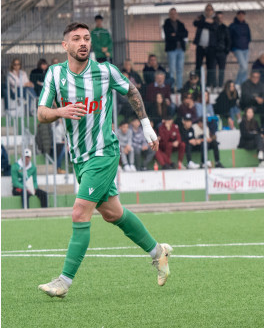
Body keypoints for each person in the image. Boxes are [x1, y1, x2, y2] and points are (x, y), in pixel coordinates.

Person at [36, 21, 171, 298]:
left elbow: (132, 90)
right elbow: (41, 113)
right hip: (80, 158)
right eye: (76, 39)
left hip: (104, 152)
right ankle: (159, 252)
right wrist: (61, 111)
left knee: (79, 212)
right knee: (112, 213)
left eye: (87, 38)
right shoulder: (54, 74)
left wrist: (146, 125)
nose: (83, 42)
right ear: (66, 46)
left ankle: (64, 281)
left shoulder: (105, 71)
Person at [163, 7, 189, 91]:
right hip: (172, 50)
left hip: (180, 49)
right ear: (169, 15)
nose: (173, 15)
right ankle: (171, 87)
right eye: (172, 14)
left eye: (175, 13)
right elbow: (169, 36)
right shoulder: (166, 24)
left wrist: (176, 35)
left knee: (180, 69)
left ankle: (179, 87)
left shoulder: (181, 24)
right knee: (172, 69)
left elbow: (185, 34)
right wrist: (179, 36)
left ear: (177, 14)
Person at [193, 4, 217, 84]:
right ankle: (197, 82)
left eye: (210, 10)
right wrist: (206, 22)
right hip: (200, 46)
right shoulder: (201, 18)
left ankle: (209, 84)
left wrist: (204, 23)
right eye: (207, 9)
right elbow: (196, 23)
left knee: (210, 66)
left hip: (211, 47)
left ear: (213, 11)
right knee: (198, 65)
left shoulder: (216, 19)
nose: (208, 11)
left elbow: (214, 27)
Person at [208, 11, 232, 89]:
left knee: (222, 70)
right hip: (213, 52)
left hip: (222, 52)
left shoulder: (225, 28)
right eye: (218, 18)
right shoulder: (211, 27)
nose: (219, 19)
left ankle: (220, 85)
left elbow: (228, 40)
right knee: (213, 70)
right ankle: (214, 86)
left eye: (221, 18)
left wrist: (226, 50)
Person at [229, 10, 251, 85]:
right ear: (237, 16)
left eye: (243, 15)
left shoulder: (246, 25)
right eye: (240, 15)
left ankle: (243, 83)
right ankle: (238, 82)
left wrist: (247, 44)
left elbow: (248, 36)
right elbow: (229, 38)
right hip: (237, 48)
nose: (241, 17)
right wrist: (231, 48)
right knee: (244, 66)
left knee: (245, 67)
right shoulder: (232, 26)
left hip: (246, 48)